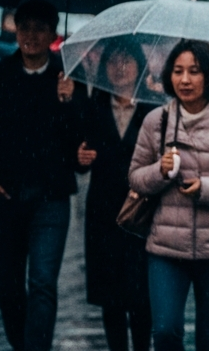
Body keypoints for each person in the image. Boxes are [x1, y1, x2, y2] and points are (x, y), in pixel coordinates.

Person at [129, 40, 209, 351]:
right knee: (164, 332)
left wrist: (206, 188)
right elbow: (135, 177)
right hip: (165, 249)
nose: (185, 80)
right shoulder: (156, 122)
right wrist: (158, 172)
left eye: (194, 71)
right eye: (177, 71)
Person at [0, 0, 84, 351]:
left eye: (40, 29)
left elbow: (81, 149)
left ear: (53, 34)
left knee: (42, 282)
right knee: (9, 287)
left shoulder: (68, 77)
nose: (31, 36)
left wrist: (69, 102)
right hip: (4, 198)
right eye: (25, 27)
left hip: (50, 198)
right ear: (16, 30)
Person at [76, 41, 158, 351]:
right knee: (110, 297)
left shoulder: (154, 109)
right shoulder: (92, 106)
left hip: (142, 211)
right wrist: (79, 158)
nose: (120, 67)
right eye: (113, 61)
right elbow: (78, 152)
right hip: (104, 212)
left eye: (127, 60)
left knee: (141, 295)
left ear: (139, 65)